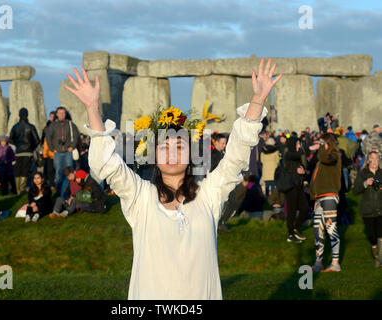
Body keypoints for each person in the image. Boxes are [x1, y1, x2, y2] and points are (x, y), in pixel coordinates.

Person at [64, 58, 282, 299]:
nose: (171, 152)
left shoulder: (209, 195)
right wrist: (93, 108)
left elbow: (235, 157)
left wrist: (258, 100)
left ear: (192, 155)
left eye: (179, 146)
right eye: (163, 146)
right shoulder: (141, 197)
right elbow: (108, 163)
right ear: (154, 156)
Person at [309, 133, 342, 272]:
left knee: (330, 228)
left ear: (328, 143)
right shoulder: (320, 160)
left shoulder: (334, 155)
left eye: (322, 143)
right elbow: (314, 179)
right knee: (318, 230)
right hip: (319, 197)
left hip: (329, 195)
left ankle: (335, 263)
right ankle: (318, 262)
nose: (320, 145)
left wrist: (321, 147)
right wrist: (314, 197)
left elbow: (325, 158)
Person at [352, 151, 382, 268]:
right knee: (372, 236)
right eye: (372, 159)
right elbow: (354, 191)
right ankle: (376, 255)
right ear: (368, 160)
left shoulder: (381, 173)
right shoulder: (363, 173)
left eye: (377, 159)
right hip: (367, 210)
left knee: (381, 234)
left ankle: (380, 259)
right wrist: (365, 184)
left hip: (380, 208)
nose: (374, 161)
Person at [46, 107, 80, 194]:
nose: (62, 115)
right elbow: (48, 137)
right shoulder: (53, 125)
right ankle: (59, 193)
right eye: (60, 113)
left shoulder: (70, 124)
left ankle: (70, 192)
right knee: (58, 173)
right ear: (56, 114)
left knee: (70, 173)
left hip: (68, 152)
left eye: (63, 113)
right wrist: (52, 148)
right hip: (57, 153)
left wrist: (72, 146)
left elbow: (76, 135)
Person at [283, 136, 309, 243]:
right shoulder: (288, 154)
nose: (299, 146)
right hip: (290, 187)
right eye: (298, 144)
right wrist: (297, 171)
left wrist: (303, 171)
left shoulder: (296, 156)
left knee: (305, 208)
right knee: (291, 211)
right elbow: (289, 168)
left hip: (299, 187)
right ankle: (290, 234)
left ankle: (295, 228)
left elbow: (301, 165)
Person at [9, 108, 40, 194]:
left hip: (18, 152)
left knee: (18, 170)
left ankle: (18, 189)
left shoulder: (15, 127)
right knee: (25, 170)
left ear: (19, 115)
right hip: (28, 151)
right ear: (27, 115)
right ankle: (22, 188)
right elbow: (37, 140)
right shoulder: (31, 127)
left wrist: (17, 145)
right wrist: (31, 147)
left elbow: (10, 139)